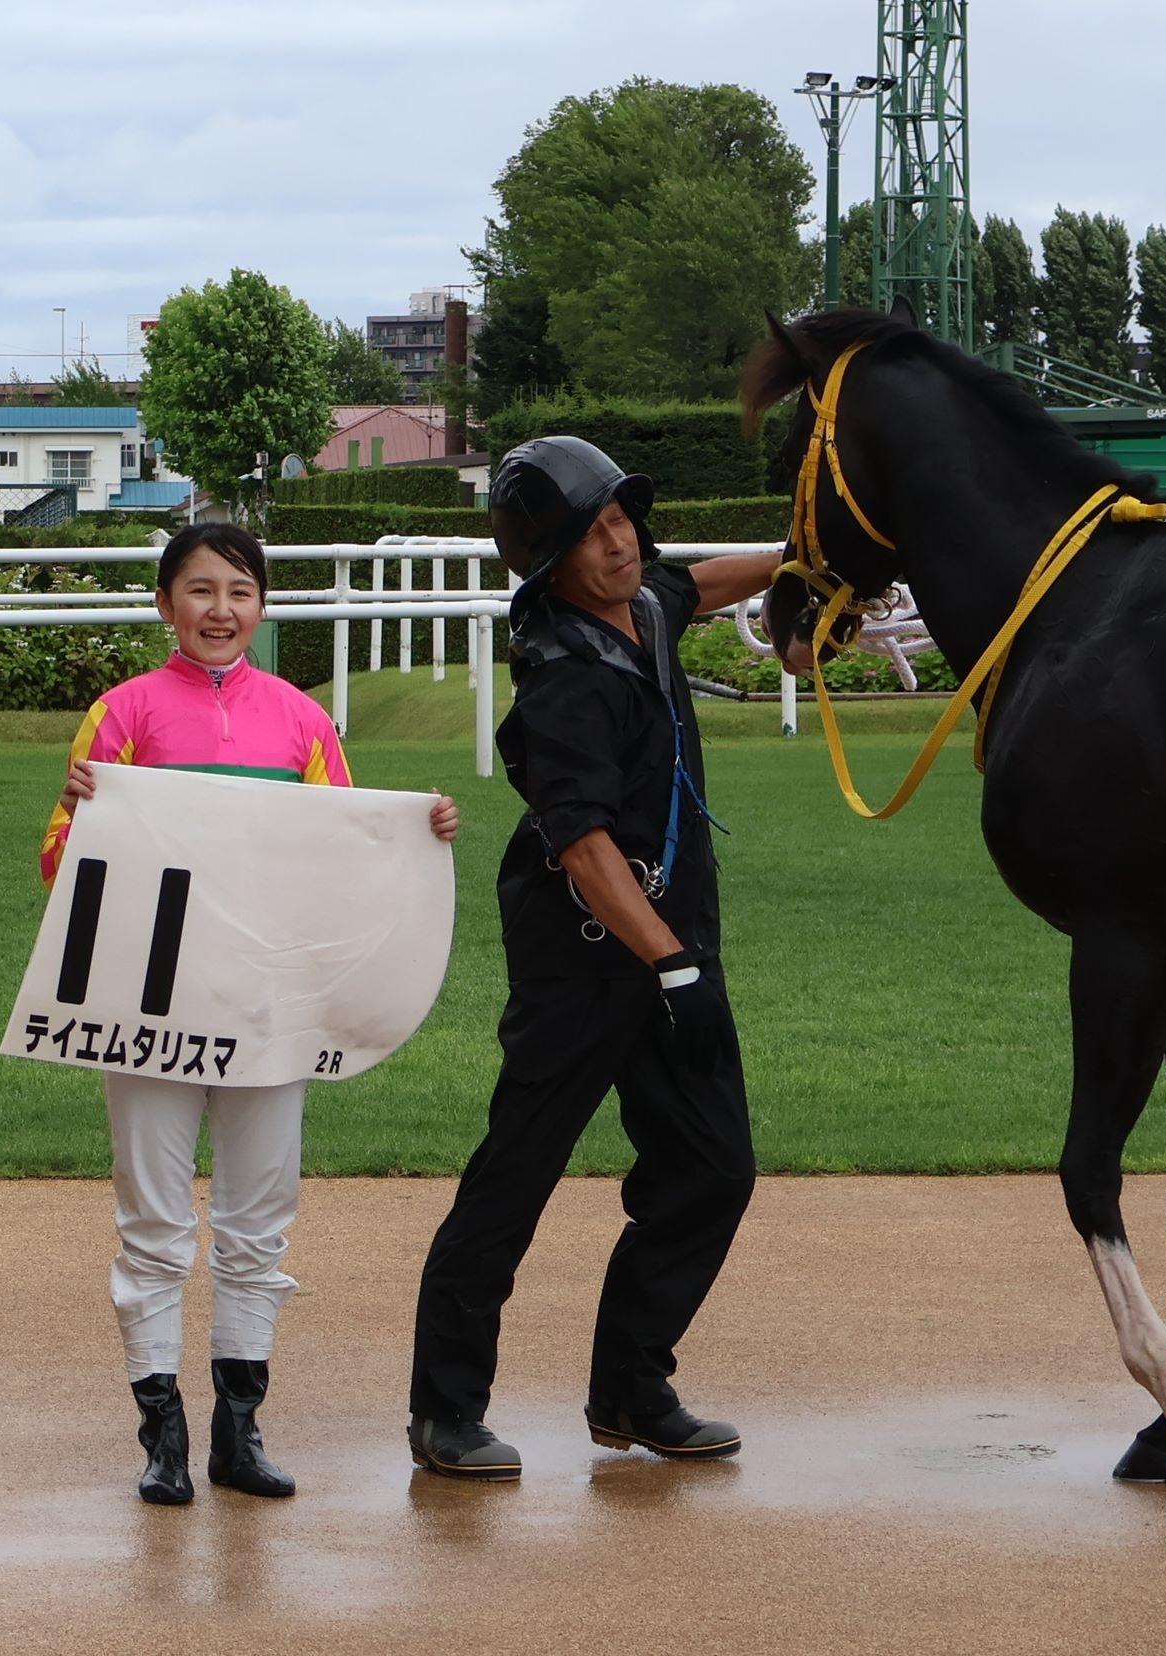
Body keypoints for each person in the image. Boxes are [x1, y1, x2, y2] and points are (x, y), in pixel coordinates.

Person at [43, 522, 460, 1506]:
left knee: (256, 1223)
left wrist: (419, 830)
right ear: (163, 605)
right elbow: (61, 866)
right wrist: (85, 817)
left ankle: (240, 1426)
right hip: (151, 1000)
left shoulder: (303, 723)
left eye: (238, 590)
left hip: (270, 1008)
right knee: (152, 1221)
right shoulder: (121, 713)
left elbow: (351, 856)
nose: (219, 609)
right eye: (198, 590)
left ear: (261, 606)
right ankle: (163, 1434)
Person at [407, 437, 782, 1480]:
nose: (617, 542)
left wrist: (805, 557)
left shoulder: (645, 604)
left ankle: (629, 1388)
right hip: (583, 965)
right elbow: (582, 848)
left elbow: (697, 580)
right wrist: (675, 969)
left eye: (621, 517)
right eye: (589, 532)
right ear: (547, 562)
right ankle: (444, 1412)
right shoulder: (562, 680)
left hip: (669, 951)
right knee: (513, 1181)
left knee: (711, 1170)